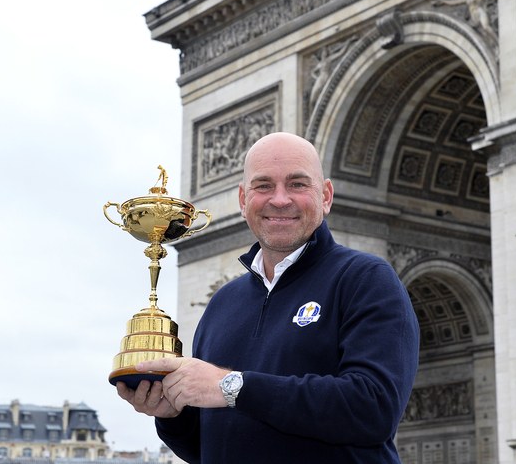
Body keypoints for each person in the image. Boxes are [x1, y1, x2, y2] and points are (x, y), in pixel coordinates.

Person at [116, 132, 420, 463]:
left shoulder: (366, 279)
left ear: (326, 196)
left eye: (297, 184)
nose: (279, 199)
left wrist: (231, 387)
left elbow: (373, 409)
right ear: (243, 200)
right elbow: (212, 447)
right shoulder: (222, 303)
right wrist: (172, 415)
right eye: (263, 186)